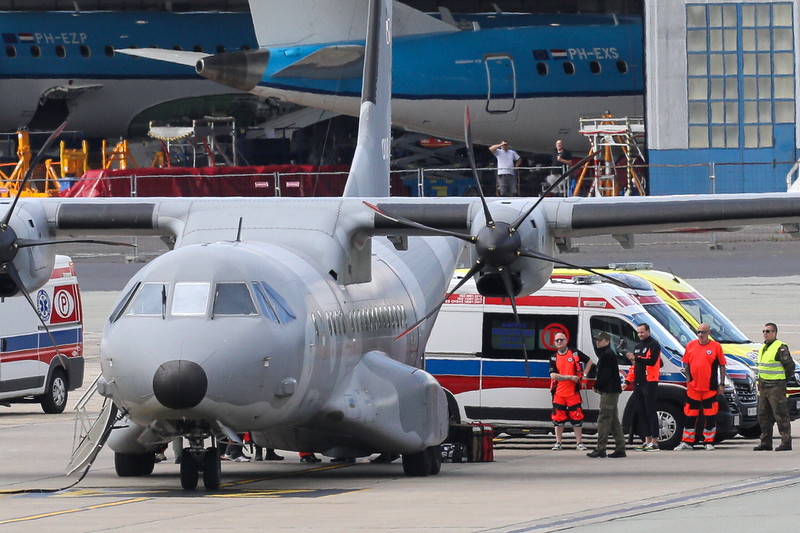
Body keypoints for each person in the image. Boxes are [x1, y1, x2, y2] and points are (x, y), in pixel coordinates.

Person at [674, 323, 726, 451]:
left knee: (710, 415)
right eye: (699, 332)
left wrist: (722, 383)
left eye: (703, 332)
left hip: (709, 388)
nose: (701, 335)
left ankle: (709, 441)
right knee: (690, 415)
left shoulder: (716, 346)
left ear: (708, 333)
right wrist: (688, 379)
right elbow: (686, 363)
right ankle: (687, 441)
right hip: (693, 388)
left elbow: (722, 365)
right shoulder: (691, 345)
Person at [753, 323, 795, 451]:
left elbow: (789, 366)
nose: (765, 333)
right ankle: (765, 442)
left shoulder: (780, 347)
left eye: (768, 331)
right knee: (763, 415)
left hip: (776, 386)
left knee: (780, 414)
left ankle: (786, 441)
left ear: (775, 333)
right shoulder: (763, 348)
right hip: (764, 386)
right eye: (764, 331)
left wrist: (782, 381)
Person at [549, 332, 593, 450]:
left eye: (561, 340)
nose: (559, 342)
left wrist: (584, 374)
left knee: (577, 417)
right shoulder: (553, 357)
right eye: (557, 340)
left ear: (566, 340)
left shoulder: (574, 353)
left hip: (573, 392)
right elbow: (553, 375)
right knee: (558, 419)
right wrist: (569, 377)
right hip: (559, 393)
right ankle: (558, 443)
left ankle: (579, 443)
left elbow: (589, 361)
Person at [586, 332, 626, 458]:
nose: (597, 342)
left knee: (604, 419)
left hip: (609, 391)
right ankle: (620, 448)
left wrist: (597, 386)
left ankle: (601, 448)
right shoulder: (607, 354)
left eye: (600, 340)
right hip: (612, 390)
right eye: (597, 340)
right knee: (614, 420)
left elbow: (605, 375)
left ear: (607, 341)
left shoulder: (607, 355)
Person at [624, 323, 661, 451]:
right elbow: (634, 366)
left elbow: (652, 361)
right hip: (638, 383)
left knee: (651, 411)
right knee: (641, 411)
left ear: (648, 331)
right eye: (638, 332)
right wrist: (628, 381)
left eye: (642, 332)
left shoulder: (654, 344)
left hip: (650, 382)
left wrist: (637, 358)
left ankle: (655, 442)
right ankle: (647, 440)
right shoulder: (638, 346)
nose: (640, 334)